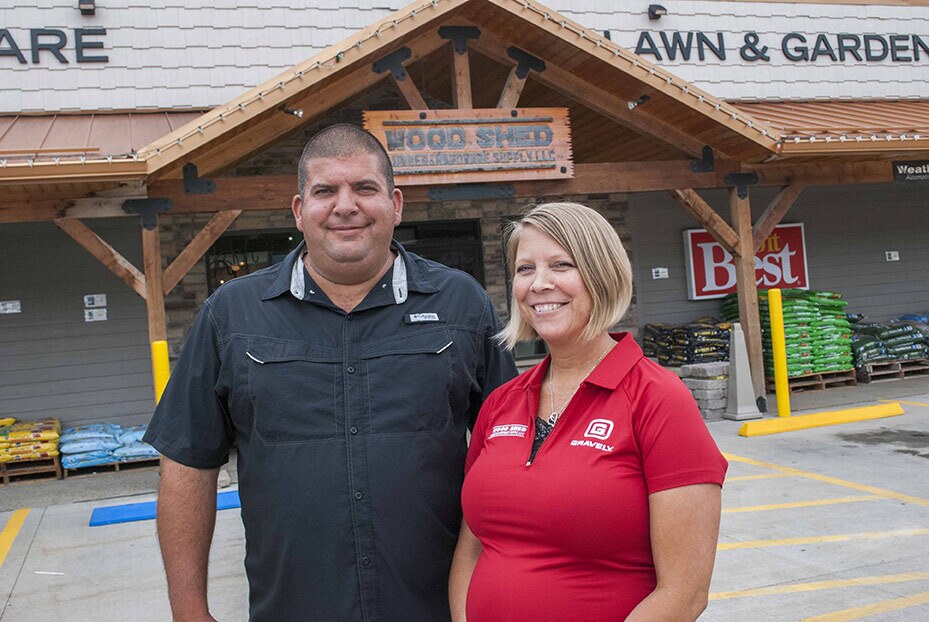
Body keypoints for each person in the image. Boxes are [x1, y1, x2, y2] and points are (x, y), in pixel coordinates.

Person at [143, 124, 518, 622]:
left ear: (396, 204)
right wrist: (189, 610)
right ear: (300, 211)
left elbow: (514, 449)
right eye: (325, 191)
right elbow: (188, 465)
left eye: (364, 188)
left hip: (440, 607)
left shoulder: (461, 303)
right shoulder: (230, 315)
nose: (346, 206)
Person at [449, 202, 727, 622]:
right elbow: (471, 548)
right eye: (525, 269)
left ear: (601, 273)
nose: (539, 284)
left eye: (561, 265)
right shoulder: (500, 402)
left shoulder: (658, 398)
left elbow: (684, 594)